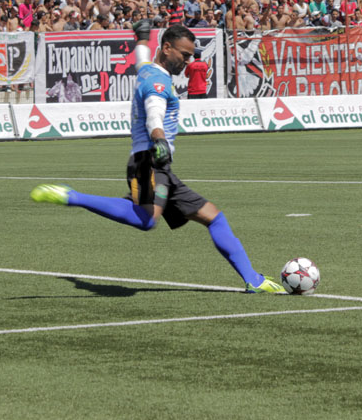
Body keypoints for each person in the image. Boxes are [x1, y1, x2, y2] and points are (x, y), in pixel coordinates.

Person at [31, 22, 286, 294]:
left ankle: (253, 280)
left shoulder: (148, 69)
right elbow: (154, 113)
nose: (188, 61)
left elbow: (141, 56)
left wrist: (141, 37)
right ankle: (72, 196)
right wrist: (160, 140)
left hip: (158, 165)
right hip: (149, 160)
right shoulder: (158, 82)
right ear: (166, 48)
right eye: (184, 55)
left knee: (214, 217)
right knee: (147, 219)